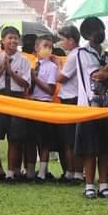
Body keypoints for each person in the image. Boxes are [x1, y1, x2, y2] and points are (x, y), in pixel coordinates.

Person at [60, 17, 108, 199]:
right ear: (87, 34)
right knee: (90, 150)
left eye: (101, 29)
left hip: (106, 107)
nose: (100, 33)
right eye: (96, 30)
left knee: (104, 149)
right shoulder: (82, 53)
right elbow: (97, 76)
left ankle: (104, 185)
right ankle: (89, 185)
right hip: (88, 107)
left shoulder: (105, 54)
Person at [0, 26, 31, 183]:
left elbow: (26, 83)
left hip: (16, 98)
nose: (13, 41)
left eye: (15, 38)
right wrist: (1, 69)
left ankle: (11, 173)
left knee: (15, 138)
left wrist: (11, 73)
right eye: (10, 37)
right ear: (3, 41)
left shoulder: (24, 60)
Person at [26, 35, 60, 183]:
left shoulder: (51, 67)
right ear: (36, 48)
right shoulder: (32, 65)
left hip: (44, 104)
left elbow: (50, 90)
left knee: (44, 141)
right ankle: (30, 171)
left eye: (50, 47)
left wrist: (35, 79)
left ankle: (42, 172)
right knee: (31, 140)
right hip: (32, 104)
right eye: (44, 46)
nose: (47, 49)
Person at [54, 25, 82, 183]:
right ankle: (75, 172)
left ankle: (72, 172)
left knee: (69, 140)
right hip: (76, 98)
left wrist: (58, 65)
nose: (61, 43)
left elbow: (61, 78)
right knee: (73, 139)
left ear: (71, 40)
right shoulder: (82, 54)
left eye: (63, 39)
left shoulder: (73, 56)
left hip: (70, 99)